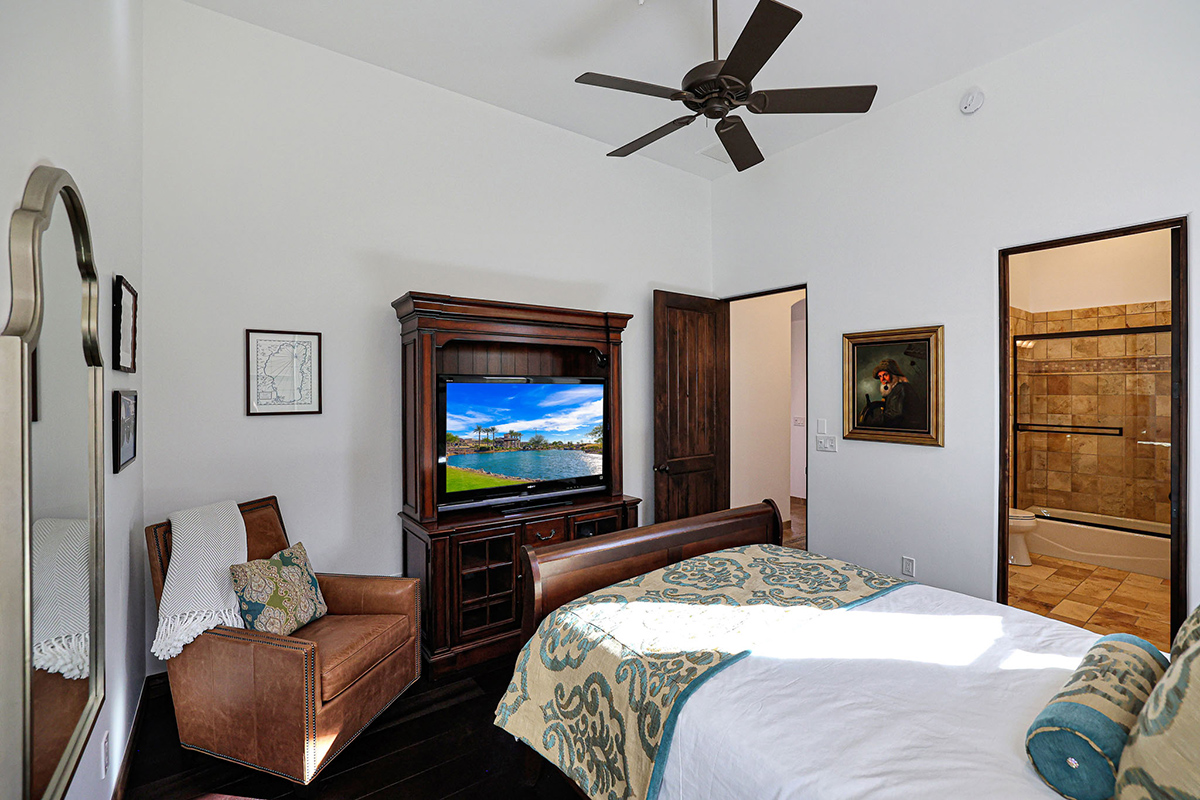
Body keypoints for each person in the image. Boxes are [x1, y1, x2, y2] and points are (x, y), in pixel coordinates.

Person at [859, 358, 928, 430]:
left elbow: (894, 414)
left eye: (885, 375)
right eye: (880, 376)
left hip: (906, 427)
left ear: (893, 375)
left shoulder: (901, 388)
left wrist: (873, 422)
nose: (882, 379)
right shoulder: (893, 388)